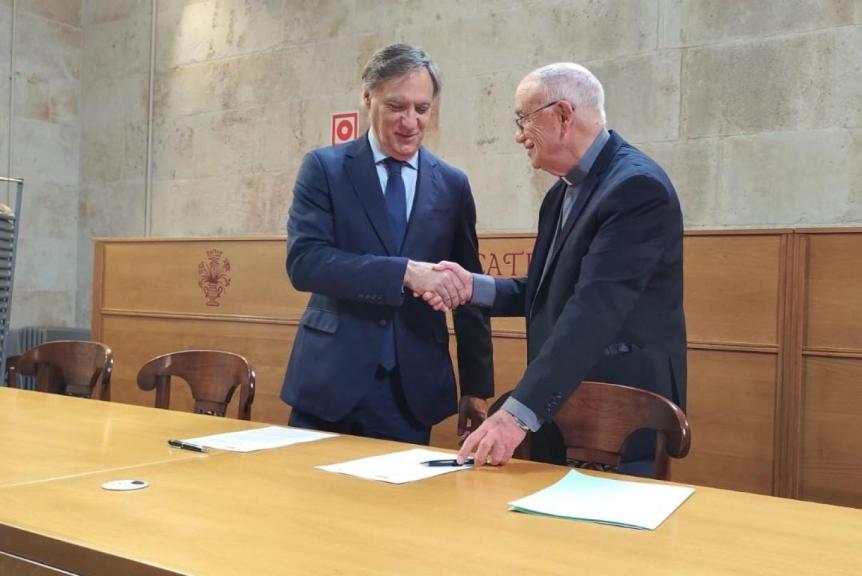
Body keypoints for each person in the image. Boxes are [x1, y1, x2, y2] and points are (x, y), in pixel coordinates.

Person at [428, 63, 686, 477]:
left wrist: (515, 416)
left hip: (619, 414)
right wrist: (471, 287)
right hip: (560, 404)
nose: (517, 134)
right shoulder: (559, 195)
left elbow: (593, 310)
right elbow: (551, 292)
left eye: (523, 119)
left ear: (564, 115)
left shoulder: (637, 189)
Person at [281, 44, 493, 445]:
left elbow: (469, 288)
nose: (410, 122)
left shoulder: (452, 184)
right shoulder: (324, 169)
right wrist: (404, 273)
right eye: (396, 106)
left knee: (397, 508)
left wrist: (476, 386)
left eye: (422, 108)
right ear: (367, 97)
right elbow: (305, 262)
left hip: (410, 391)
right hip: (329, 382)